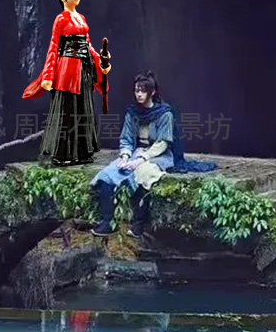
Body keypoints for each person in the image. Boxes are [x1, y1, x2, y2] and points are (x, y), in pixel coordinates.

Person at [89, 70, 217, 238]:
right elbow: (126, 138)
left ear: (152, 92)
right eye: (137, 91)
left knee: (143, 174)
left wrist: (141, 160)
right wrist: (125, 157)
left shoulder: (165, 114)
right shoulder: (132, 113)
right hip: (137, 152)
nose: (139, 94)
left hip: (161, 155)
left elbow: (163, 143)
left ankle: (138, 225)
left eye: (143, 91)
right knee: (108, 174)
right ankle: (107, 223)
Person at [22, 0, 110, 166]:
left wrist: (100, 61)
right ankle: (63, 154)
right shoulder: (61, 19)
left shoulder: (82, 18)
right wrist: (47, 75)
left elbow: (88, 45)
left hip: (84, 68)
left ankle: (83, 151)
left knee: (84, 108)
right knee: (67, 111)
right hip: (67, 69)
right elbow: (54, 46)